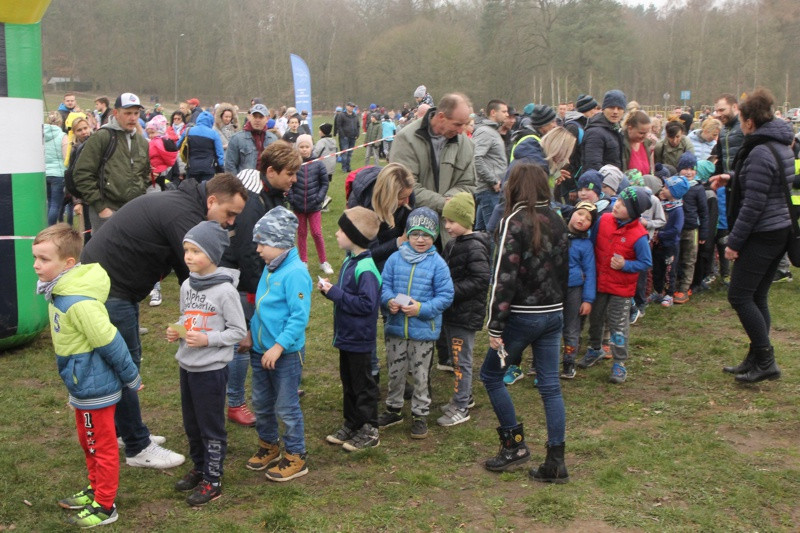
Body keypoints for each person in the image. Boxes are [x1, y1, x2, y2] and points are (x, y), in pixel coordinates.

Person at [81, 173, 248, 469]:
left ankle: (123, 430)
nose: (231, 222)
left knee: (121, 363)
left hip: (111, 284)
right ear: (211, 201)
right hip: (110, 288)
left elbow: (189, 272)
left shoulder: (183, 205)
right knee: (125, 365)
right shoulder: (185, 216)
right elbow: (200, 274)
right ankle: (137, 446)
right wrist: (225, 315)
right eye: (229, 213)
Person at [34, 224, 140, 528]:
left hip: (96, 389)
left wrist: (131, 377)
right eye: (35, 258)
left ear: (68, 264)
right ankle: (95, 489)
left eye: (43, 259)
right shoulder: (60, 291)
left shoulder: (77, 302)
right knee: (88, 440)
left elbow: (110, 341)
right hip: (82, 385)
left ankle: (105, 505)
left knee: (100, 445)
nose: (36, 265)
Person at [480, 163, 569, 483]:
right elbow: (564, 272)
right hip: (554, 313)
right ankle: (555, 461)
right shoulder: (559, 220)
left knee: (490, 375)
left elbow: (503, 277)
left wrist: (494, 326)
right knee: (550, 387)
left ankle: (513, 446)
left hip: (522, 315)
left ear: (513, 187)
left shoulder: (513, 222)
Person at [220, 142, 301, 427]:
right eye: (290, 173)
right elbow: (247, 251)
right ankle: (235, 402)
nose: (294, 179)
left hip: (265, 281)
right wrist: (259, 292)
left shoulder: (276, 195)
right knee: (242, 342)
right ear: (270, 171)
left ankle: (278, 383)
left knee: (268, 332)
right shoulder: (254, 202)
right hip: (245, 284)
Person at [166, 221, 246, 506]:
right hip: (187, 365)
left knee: (211, 426)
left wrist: (208, 339)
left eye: (195, 251)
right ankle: (199, 468)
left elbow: (238, 331)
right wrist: (177, 331)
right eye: (186, 250)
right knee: (192, 424)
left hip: (211, 370)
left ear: (212, 255)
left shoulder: (225, 292)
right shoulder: (188, 283)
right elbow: (187, 317)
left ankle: (214, 479)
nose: (188, 256)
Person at [718, 88, 794, 383]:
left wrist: (734, 243)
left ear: (749, 121)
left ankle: (765, 359)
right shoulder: (778, 144)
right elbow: (767, 182)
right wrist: (731, 177)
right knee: (757, 294)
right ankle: (756, 356)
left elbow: (754, 204)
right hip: (779, 229)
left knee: (739, 295)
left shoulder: (761, 150)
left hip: (763, 233)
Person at [247, 207, 313, 481]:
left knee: (285, 406)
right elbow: (263, 308)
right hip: (260, 350)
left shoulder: (295, 273)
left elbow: (299, 317)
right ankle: (268, 444)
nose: (258, 249)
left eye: (263, 242)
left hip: (283, 354)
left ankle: (296, 455)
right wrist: (252, 335)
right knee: (261, 402)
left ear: (281, 243)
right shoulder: (270, 267)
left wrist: (279, 346)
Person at [377, 207, 454, 439]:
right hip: (396, 328)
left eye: (427, 235)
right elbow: (384, 286)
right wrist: (389, 301)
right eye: (415, 234)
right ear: (407, 234)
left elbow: (445, 296)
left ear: (434, 237)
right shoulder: (394, 258)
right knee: (395, 371)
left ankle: (420, 413)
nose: (421, 239)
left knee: (421, 375)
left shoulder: (438, 264)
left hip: (423, 331)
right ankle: (394, 408)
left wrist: (421, 309)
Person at [320, 207, 383, 451]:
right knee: (348, 381)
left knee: (363, 384)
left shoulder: (365, 269)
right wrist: (330, 292)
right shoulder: (350, 260)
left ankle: (369, 428)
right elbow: (348, 297)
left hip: (359, 338)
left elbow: (367, 305)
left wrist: (335, 293)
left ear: (354, 236)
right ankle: (353, 422)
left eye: (342, 230)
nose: (336, 233)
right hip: (346, 336)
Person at [576, 187, 653, 384]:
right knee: (596, 318)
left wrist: (626, 265)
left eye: (623, 204)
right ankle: (595, 349)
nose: (616, 205)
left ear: (634, 212)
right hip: (599, 284)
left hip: (621, 289)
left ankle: (619, 362)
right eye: (617, 200)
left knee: (618, 326)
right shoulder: (604, 220)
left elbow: (646, 262)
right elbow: (592, 246)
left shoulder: (639, 235)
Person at [436, 193, 491, 427]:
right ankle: (464, 397)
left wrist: (450, 291)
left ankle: (460, 407)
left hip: (465, 314)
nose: (447, 226)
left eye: (451, 221)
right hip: (452, 312)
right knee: (455, 357)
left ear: (467, 220)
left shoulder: (475, 247)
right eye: (445, 221)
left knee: (461, 360)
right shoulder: (452, 244)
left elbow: (480, 279)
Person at [389, 93, 476, 232]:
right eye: (457, 124)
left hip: (451, 232)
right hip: (415, 230)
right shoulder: (406, 139)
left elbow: (468, 183)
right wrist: (444, 204)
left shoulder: (466, 144)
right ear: (441, 117)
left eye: (464, 124)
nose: (461, 131)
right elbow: (402, 188)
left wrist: (449, 204)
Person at [72, 93, 150, 233]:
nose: (133, 118)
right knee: (105, 254)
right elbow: (82, 173)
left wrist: (140, 199)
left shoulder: (142, 142)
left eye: (136, 113)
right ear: (116, 113)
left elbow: (144, 174)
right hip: (106, 212)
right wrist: (101, 207)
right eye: (127, 113)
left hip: (134, 211)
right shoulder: (102, 137)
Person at [560, 201, 597, 379]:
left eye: (588, 218)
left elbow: (590, 272)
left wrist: (588, 299)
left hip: (574, 290)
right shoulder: (556, 235)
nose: (582, 219)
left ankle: (569, 362)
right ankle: (541, 363)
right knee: (548, 327)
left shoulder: (586, 245)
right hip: (552, 288)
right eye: (580, 214)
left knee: (571, 328)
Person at [290, 134, 333, 274]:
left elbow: (324, 183)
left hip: (314, 206)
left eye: (306, 146)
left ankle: (323, 261)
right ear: (297, 148)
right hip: (298, 207)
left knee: (316, 233)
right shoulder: (293, 164)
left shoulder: (319, 163)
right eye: (301, 147)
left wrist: (319, 198)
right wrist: (292, 198)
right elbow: (288, 184)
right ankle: (303, 261)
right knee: (301, 233)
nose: (304, 150)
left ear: (311, 147)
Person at [673, 152, 709, 305]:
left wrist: (704, 232)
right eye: (685, 168)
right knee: (676, 258)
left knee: (689, 259)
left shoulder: (698, 189)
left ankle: (684, 287)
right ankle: (673, 285)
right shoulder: (673, 184)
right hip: (676, 229)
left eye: (692, 168)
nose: (689, 172)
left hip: (692, 229)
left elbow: (704, 212)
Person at [649, 176, 689, 307]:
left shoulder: (678, 210)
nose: (663, 189)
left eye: (666, 188)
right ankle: (658, 291)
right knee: (657, 268)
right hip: (658, 245)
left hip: (670, 246)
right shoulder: (662, 205)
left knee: (669, 270)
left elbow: (676, 230)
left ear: (674, 193)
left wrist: (660, 234)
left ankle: (669, 294)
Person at [473, 100, 509, 231]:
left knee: (481, 232)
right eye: (504, 111)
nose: (507, 114)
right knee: (494, 232)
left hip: (492, 190)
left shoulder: (493, 131)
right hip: (490, 190)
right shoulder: (485, 132)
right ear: (493, 112)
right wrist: (493, 180)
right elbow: (476, 158)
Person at [225, 104, 278, 175]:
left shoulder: (273, 139)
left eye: (261, 117)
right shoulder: (237, 139)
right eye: (254, 116)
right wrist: (235, 184)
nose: (257, 120)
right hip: (243, 184)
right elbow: (230, 166)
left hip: (266, 183)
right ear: (249, 117)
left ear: (267, 119)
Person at [583, 90, 627, 171]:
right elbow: (593, 166)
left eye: (619, 108)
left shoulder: (617, 130)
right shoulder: (595, 132)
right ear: (603, 109)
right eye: (611, 107)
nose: (615, 112)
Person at [179, 110, 225, 182]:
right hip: (208, 168)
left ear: (198, 119)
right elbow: (220, 152)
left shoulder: (188, 131)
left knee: (191, 189)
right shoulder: (214, 134)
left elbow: (178, 145)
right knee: (205, 190)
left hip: (192, 166)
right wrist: (221, 168)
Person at [44, 112, 66, 226]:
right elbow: (65, 156)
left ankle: (46, 225)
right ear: (60, 122)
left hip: (45, 173)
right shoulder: (62, 136)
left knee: (48, 202)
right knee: (55, 204)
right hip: (58, 174)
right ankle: (51, 228)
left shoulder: (41, 136)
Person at [622, 110, 654, 176]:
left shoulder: (646, 145)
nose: (645, 136)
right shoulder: (621, 145)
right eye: (641, 133)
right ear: (630, 128)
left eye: (646, 133)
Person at [334, 102, 360, 172]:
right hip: (344, 137)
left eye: (353, 107)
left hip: (353, 137)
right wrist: (343, 135)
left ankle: (348, 167)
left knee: (350, 153)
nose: (352, 108)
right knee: (344, 153)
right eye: (350, 106)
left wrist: (357, 134)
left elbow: (358, 125)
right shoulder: (342, 115)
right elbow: (339, 126)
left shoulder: (355, 116)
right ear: (347, 107)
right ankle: (344, 168)